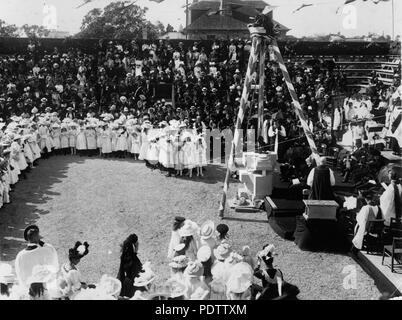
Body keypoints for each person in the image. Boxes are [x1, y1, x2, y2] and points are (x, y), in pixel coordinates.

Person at [15, 225, 59, 290]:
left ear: (28, 239)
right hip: (44, 290)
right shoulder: (45, 251)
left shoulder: (20, 255)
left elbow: (19, 275)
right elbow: (55, 268)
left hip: (28, 290)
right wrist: (41, 242)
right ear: (36, 238)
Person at [117, 234, 143, 298]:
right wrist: (136, 250)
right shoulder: (131, 258)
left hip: (126, 271)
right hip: (129, 278)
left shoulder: (125, 251)